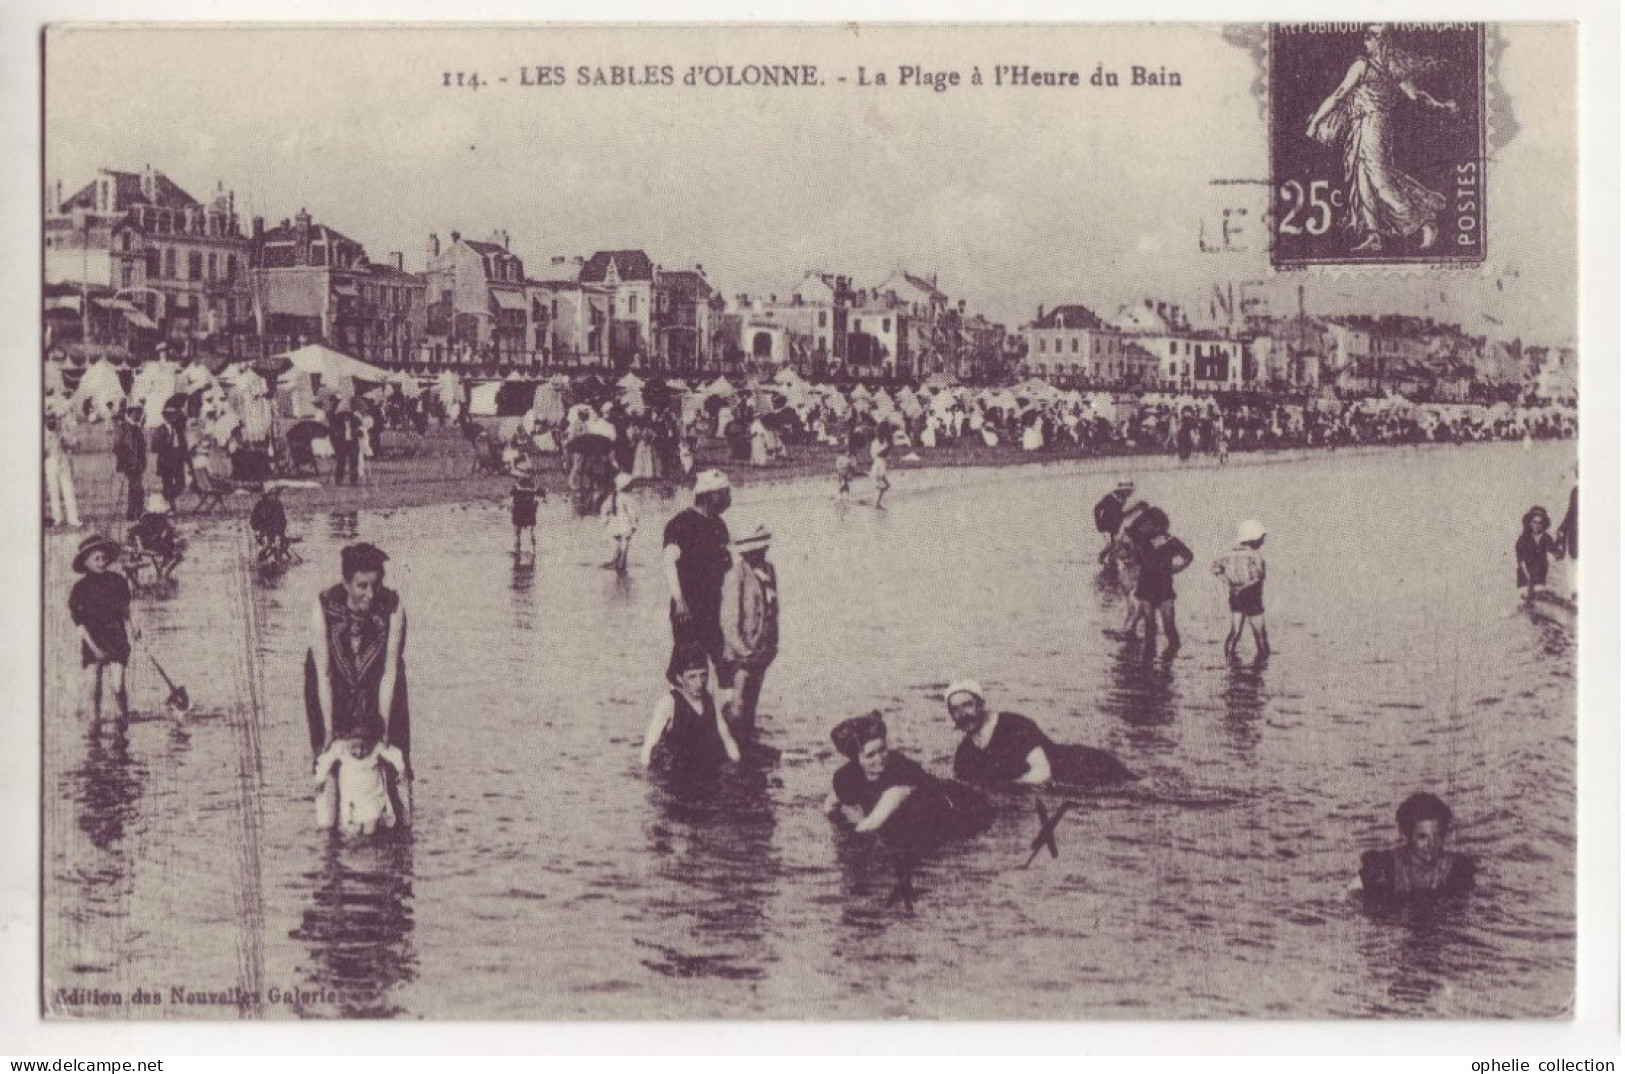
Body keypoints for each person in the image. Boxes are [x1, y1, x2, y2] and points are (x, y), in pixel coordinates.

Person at [1306, 24, 1458, 254]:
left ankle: (1423, 220)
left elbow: (1339, 94)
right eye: (1366, 36)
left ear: (1381, 41)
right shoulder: (1392, 70)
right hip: (1366, 127)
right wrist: (1440, 105)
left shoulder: (1363, 66)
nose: (1365, 41)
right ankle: (1373, 235)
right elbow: (1416, 96)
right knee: (1363, 178)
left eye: (1370, 37)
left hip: (1372, 126)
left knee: (1379, 179)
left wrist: (1316, 121)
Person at [305, 542, 411, 826]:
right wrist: (328, 729)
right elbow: (324, 674)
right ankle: (330, 837)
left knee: (395, 756)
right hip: (331, 683)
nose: (370, 594)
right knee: (328, 758)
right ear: (346, 582)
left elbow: (389, 671)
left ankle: (402, 833)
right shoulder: (323, 606)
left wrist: (385, 727)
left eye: (375, 585)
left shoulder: (392, 607)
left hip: (379, 679)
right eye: (362, 586)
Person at [823, 711, 990, 846]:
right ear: (855, 759)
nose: (880, 758)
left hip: (960, 807)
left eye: (883, 750)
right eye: (870, 755)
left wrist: (848, 841)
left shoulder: (900, 772)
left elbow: (872, 823)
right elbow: (831, 805)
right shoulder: (846, 775)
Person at [945, 680, 1136, 787]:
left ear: (981, 705)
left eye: (967, 705)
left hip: (1088, 766)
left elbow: (1042, 773)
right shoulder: (965, 754)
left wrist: (1003, 789)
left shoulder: (1013, 725)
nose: (963, 714)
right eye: (955, 710)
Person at [661, 469, 733, 689]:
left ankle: (723, 715)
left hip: (714, 607)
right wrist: (680, 601)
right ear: (709, 495)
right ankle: (682, 710)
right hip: (689, 608)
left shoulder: (719, 525)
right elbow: (668, 562)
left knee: (724, 663)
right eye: (723, 493)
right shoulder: (681, 524)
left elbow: (727, 568)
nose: (728, 498)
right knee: (689, 666)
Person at [640, 647, 741, 778]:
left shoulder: (710, 700)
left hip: (705, 767)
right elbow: (649, 743)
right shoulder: (669, 702)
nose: (699, 683)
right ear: (679, 678)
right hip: (676, 772)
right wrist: (645, 775)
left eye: (703, 675)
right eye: (692, 677)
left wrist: (736, 766)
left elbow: (727, 738)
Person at [1358, 792, 1476, 901]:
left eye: (1438, 836)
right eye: (1422, 837)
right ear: (1408, 835)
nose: (1432, 844)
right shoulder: (1386, 866)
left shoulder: (1457, 868)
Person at [69, 535, 137, 722]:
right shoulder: (79, 589)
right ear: (85, 562)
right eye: (96, 559)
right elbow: (80, 626)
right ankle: (95, 723)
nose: (101, 563)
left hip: (116, 637)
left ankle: (123, 718)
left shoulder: (117, 581)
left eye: (103, 558)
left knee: (118, 686)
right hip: (92, 640)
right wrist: (95, 649)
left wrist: (134, 627)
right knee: (94, 689)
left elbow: (125, 609)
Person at [719, 525, 779, 738]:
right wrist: (744, 651)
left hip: (762, 648)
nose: (761, 553)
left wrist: (772, 644)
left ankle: (746, 739)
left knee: (752, 701)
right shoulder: (736, 575)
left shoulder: (769, 570)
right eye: (756, 549)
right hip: (740, 653)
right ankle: (728, 741)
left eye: (762, 548)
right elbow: (729, 621)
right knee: (739, 704)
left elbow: (773, 609)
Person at [314, 737, 408, 837]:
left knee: (371, 828)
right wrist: (320, 779)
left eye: (363, 748)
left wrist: (402, 770)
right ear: (347, 742)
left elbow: (394, 754)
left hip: (372, 797)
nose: (359, 752)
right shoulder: (341, 748)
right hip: (351, 799)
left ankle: (370, 843)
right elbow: (325, 760)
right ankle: (355, 846)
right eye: (354, 747)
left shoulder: (375, 747)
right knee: (351, 830)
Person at [1132, 507, 1193, 657]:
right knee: (1150, 627)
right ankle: (1158, 659)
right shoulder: (1142, 539)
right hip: (1149, 587)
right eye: (1143, 523)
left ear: (1156, 525)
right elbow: (1133, 528)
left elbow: (1188, 555)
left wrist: (1177, 568)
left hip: (1160, 587)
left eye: (1147, 523)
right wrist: (1177, 568)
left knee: (1167, 625)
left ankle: (1164, 657)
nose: (1142, 525)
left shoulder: (1169, 540)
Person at [1212, 519, 1270, 657]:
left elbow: (1215, 569)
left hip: (1235, 594)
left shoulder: (1228, 553)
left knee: (1235, 631)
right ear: (1254, 538)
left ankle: (1229, 660)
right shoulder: (1255, 555)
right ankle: (1262, 663)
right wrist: (1244, 586)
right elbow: (1259, 576)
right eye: (1261, 538)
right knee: (1260, 633)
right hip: (1252, 595)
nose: (1263, 541)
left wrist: (1230, 583)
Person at [127, 494, 186, 582]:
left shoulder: (144, 518)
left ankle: (163, 570)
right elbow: (169, 533)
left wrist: (138, 542)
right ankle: (164, 571)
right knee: (176, 551)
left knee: (171, 545)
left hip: (144, 544)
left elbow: (133, 531)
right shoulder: (162, 520)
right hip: (156, 546)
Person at [44, 412, 81, 530]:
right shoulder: (43, 434)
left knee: (68, 490)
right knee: (54, 491)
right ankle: (57, 518)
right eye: (49, 419)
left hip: (63, 461)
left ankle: (73, 518)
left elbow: (70, 446)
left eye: (53, 419)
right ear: (45, 421)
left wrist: (73, 443)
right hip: (50, 462)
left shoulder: (61, 432)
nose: (52, 422)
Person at [151, 406, 192, 512]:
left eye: (173, 415)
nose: (172, 417)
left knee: (181, 483)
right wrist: (165, 442)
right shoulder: (161, 429)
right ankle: (171, 506)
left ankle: (167, 497)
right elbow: (154, 447)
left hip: (178, 459)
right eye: (169, 415)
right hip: (166, 460)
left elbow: (184, 445)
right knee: (167, 483)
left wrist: (188, 460)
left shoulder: (178, 429)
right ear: (165, 417)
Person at [113, 404, 147, 523]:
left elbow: (141, 448)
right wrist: (124, 462)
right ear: (131, 412)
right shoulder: (124, 427)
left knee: (134, 488)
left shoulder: (136, 427)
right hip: (130, 464)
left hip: (137, 464)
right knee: (137, 488)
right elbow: (117, 447)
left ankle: (133, 513)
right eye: (137, 412)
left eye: (140, 412)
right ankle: (136, 512)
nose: (139, 415)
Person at [1515, 505, 1558, 598]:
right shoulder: (1523, 540)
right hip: (1525, 577)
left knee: (1541, 600)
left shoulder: (1547, 538)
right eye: (1534, 522)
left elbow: (1555, 555)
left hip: (1541, 577)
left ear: (1544, 524)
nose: (1537, 525)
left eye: (1540, 523)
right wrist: (1529, 579)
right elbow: (1521, 562)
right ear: (1529, 523)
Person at [601, 471, 639, 572]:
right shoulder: (627, 498)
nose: (632, 487)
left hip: (614, 525)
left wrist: (605, 520)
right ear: (625, 486)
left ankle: (616, 560)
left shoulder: (613, 496)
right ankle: (621, 562)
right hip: (625, 525)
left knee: (619, 543)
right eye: (630, 485)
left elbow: (604, 508)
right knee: (625, 543)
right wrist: (634, 524)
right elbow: (631, 513)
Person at [1093, 479, 1136, 565]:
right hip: (1106, 525)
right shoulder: (1110, 497)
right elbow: (1097, 509)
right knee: (1111, 544)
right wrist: (1098, 522)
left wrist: (1132, 511)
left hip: (1116, 525)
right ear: (1123, 490)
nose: (1130, 494)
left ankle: (1110, 560)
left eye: (1131, 492)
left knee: (1115, 543)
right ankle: (1103, 560)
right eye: (1129, 491)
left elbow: (1120, 514)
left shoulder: (1123, 499)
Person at [250, 484, 291, 564]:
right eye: (271, 494)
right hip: (263, 532)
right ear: (267, 495)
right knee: (266, 545)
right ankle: (260, 561)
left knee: (278, 545)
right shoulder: (260, 505)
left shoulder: (278, 505)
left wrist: (278, 533)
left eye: (275, 494)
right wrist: (259, 530)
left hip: (276, 532)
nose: (273, 496)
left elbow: (282, 521)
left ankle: (278, 563)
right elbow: (253, 521)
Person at [510, 462, 541, 560]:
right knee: (532, 532)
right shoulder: (533, 486)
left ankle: (517, 551)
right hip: (529, 511)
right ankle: (534, 552)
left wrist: (511, 507)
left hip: (519, 511)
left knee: (517, 532)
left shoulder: (516, 486)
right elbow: (539, 498)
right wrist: (535, 506)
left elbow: (511, 498)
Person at [870, 439, 891, 510]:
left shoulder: (878, 458)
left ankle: (876, 502)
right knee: (882, 488)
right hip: (878, 476)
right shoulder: (882, 461)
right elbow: (882, 474)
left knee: (880, 488)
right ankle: (877, 503)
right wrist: (887, 482)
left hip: (874, 474)